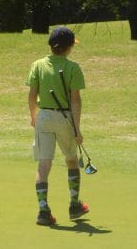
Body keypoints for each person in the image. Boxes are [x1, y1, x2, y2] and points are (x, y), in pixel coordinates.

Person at [26, 27, 89, 226]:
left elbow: (32, 95)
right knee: (71, 160)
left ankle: (43, 211)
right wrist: (77, 129)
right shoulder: (73, 68)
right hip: (64, 118)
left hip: (43, 116)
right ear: (68, 47)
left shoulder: (37, 65)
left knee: (44, 164)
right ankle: (74, 205)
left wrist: (33, 116)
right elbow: (75, 101)